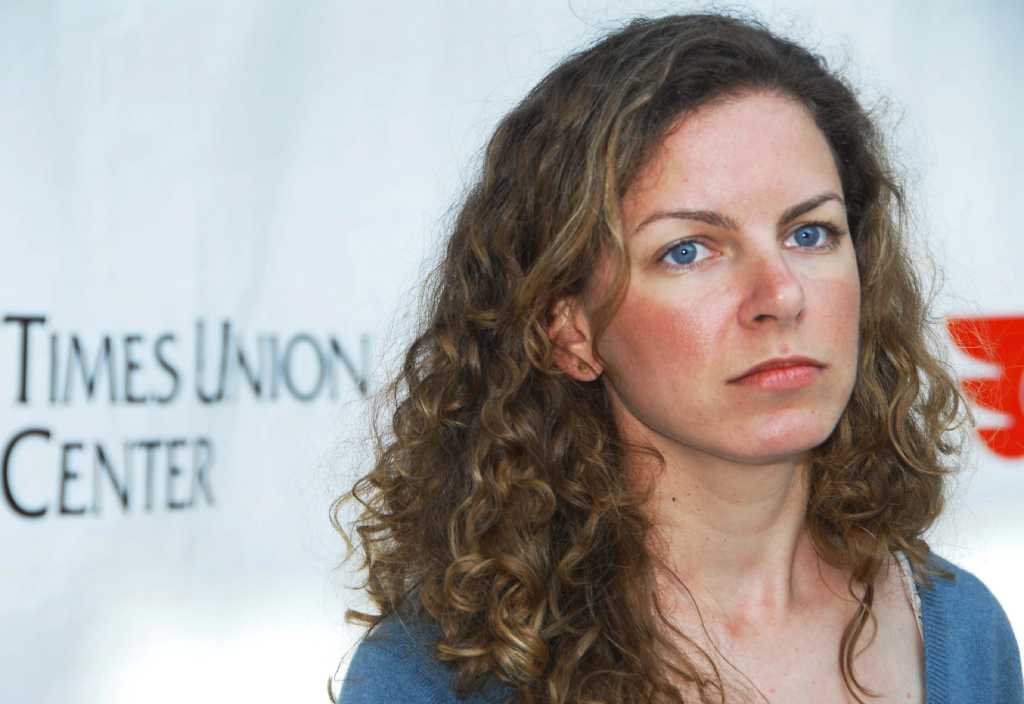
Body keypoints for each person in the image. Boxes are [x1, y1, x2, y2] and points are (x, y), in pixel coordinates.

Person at [330, 12, 1023, 704]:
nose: (781, 294)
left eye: (810, 233)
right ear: (570, 332)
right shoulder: (438, 677)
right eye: (688, 250)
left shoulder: (963, 634)